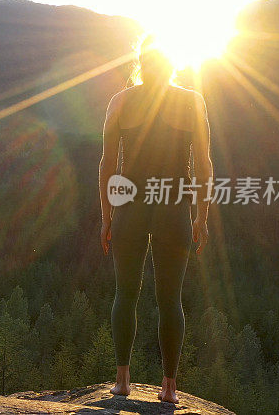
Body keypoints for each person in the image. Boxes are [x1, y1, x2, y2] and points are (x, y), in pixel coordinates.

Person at [98, 35, 213, 404]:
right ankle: (169, 388)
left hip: (130, 208)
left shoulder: (121, 102)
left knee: (125, 294)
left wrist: (106, 216)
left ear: (140, 62)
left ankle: (122, 381)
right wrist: (201, 216)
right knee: (170, 300)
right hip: (174, 207)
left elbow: (107, 165)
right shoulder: (192, 101)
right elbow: (205, 166)